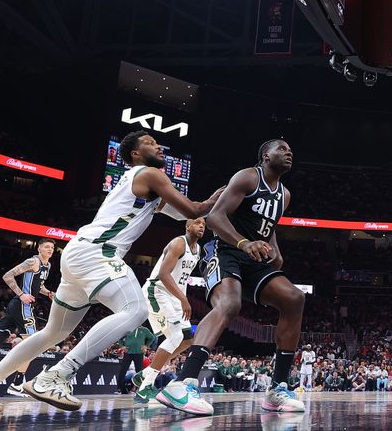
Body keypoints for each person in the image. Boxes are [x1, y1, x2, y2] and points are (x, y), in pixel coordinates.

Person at [0, 130, 222, 413]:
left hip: (79, 253)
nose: (158, 146)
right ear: (135, 154)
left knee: (52, 333)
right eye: (150, 143)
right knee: (135, 311)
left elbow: (187, 214)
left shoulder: (143, 185)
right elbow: (196, 208)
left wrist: (207, 206)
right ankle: (57, 375)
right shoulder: (150, 174)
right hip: (97, 253)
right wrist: (231, 189)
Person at [157, 139, 305, 415]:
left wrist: (276, 251)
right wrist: (243, 243)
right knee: (229, 304)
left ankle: (277, 390)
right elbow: (214, 217)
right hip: (225, 249)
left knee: (294, 298)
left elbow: (268, 227)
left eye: (290, 149)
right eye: (282, 149)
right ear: (265, 155)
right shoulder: (248, 177)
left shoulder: (284, 194)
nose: (289, 152)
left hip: (254, 258)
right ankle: (181, 383)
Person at [132, 218, 205, 403]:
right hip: (157, 291)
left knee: (188, 339)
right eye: (197, 222)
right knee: (175, 336)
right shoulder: (179, 243)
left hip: (174, 296)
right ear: (187, 226)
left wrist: (180, 298)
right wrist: (183, 299)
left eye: (204, 223)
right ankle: (145, 386)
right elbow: (164, 274)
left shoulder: (198, 250)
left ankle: (147, 373)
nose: (201, 225)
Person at [0, 239, 54, 397]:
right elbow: (7, 275)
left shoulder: (48, 265)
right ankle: (17, 384)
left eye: (52, 247)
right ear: (39, 248)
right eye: (46, 246)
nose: (50, 249)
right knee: (32, 345)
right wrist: (21, 294)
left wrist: (49, 293)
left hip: (21, 306)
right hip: (21, 305)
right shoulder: (32, 261)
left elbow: (39, 286)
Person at [116, 325, 156, 394]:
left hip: (139, 353)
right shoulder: (128, 329)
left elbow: (152, 337)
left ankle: (139, 389)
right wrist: (122, 346)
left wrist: (146, 345)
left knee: (139, 371)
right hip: (128, 352)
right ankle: (119, 389)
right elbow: (120, 338)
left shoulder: (144, 330)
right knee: (123, 370)